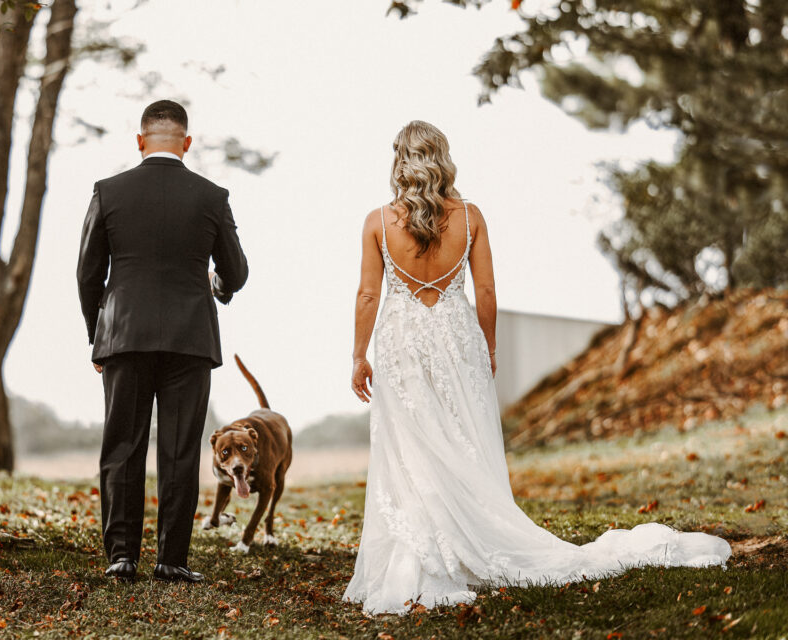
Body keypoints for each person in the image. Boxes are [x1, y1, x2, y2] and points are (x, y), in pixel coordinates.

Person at [342, 120, 731, 615]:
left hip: (400, 341)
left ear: (399, 160)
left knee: (412, 445)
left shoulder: (378, 221)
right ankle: (460, 536)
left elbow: (369, 294)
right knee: (461, 436)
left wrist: (359, 355)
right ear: (442, 157)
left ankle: (425, 546)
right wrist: (489, 346)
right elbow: (484, 292)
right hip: (456, 337)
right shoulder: (470, 217)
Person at [76, 99, 248, 583]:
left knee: (122, 446)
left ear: (140, 139)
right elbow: (236, 270)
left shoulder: (108, 192)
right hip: (189, 339)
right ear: (187, 143)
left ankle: (122, 556)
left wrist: (98, 335)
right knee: (179, 450)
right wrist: (220, 287)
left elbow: (88, 274)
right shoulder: (212, 196)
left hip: (124, 336)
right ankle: (172, 559)